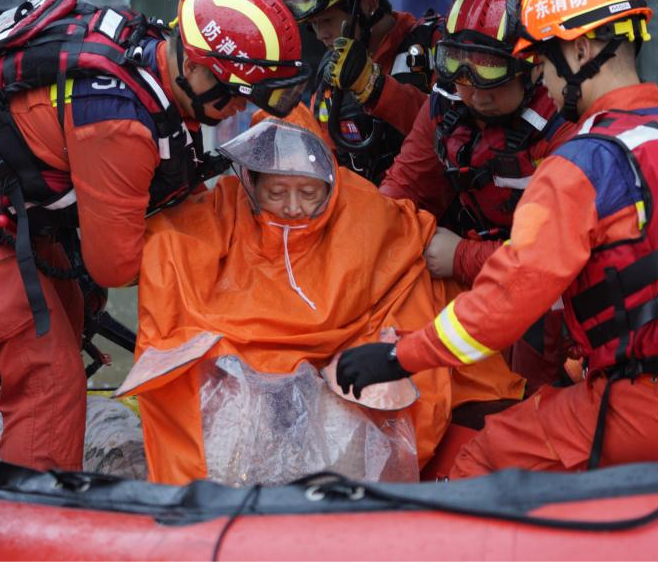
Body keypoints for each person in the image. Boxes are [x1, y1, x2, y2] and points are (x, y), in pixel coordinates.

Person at [337, 0, 658, 476]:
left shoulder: (583, 160)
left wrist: (398, 358)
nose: (544, 84)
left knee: (482, 459)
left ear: (581, 49)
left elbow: (507, 299)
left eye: (544, 65)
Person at [0, 0, 307, 471]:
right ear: (197, 67)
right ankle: (34, 527)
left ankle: (35, 464)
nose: (240, 108)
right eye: (234, 96)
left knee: (68, 329)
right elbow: (114, 264)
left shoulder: (153, 61)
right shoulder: (119, 122)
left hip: (14, 212)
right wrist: (204, 254)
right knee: (48, 376)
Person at [119, 107, 523, 485]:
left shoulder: (362, 211)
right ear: (251, 183)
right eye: (277, 191)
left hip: (343, 392)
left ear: (330, 183)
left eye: (308, 192)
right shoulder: (225, 212)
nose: (293, 207)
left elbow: (404, 259)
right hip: (248, 407)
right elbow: (168, 250)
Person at [379, 0, 574, 390]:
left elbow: (557, 264)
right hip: (468, 275)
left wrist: (464, 255)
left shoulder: (566, 128)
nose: (474, 90)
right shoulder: (446, 105)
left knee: (528, 389)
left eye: (490, 68)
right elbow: (402, 188)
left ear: (533, 64)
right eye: (456, 64)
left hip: (547, 299)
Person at [275, 0, 440, 183]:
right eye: (313, 24)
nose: (321, 35)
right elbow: (322, 154)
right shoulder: (330, 69)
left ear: (370, 5)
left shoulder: (432, 47)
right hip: (357, 213)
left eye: (328, 20)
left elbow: (448, 135)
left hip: (428, 217)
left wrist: (374, 88)